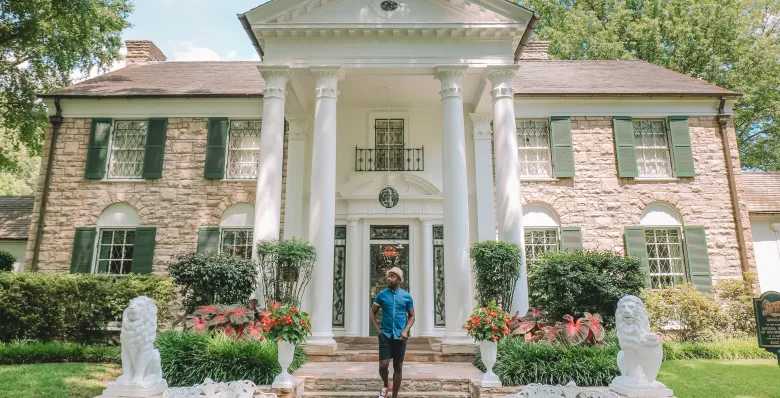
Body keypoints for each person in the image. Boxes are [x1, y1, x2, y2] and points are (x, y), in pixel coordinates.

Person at [370, 267, 415, 398]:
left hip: (401, 337)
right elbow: (372, 313)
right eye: (388, 276)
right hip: (386, 335)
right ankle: (386, 383)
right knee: (383, 366)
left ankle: (394, 396)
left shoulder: (407, 297)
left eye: (392, 276)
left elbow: (412, 316)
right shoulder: (382, 295)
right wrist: (378, 332)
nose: (388, 278)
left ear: (399, 279)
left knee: (398, 367)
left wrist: (406, 331)